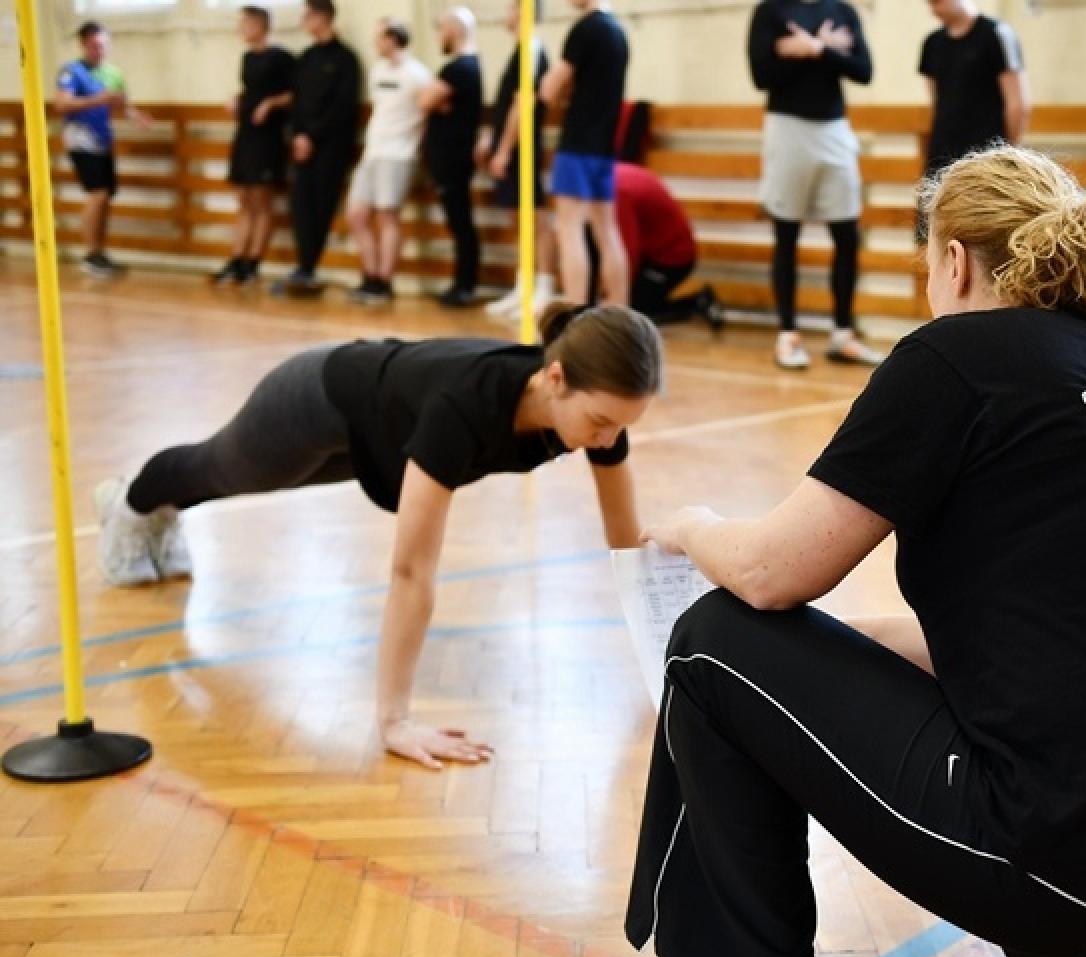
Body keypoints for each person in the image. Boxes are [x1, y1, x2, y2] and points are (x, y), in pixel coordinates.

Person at [624, 146, 1086, 957]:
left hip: (1065, 858)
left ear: (953, 259)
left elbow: (773, 573)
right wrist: (823, 670)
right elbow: (1049, 647)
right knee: (787, 667)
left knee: (710, 643)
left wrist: (697, 525)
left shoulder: (957, 358)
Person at [92, 304, 663, 770]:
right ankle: (131, 502)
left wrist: (667, 649)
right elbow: (411, 572)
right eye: (600, 421)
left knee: (246, 479)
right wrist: (395, 721)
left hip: (383, 431)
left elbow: (624, 544)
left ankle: (157, 512)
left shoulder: (589, 412)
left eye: (621, 425)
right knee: (227, 470)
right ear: (556, 379)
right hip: (318, 395)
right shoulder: (464, 406)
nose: (608, 438)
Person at [748, 0, 881, 371]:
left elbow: (864, 70)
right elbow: (762, 74)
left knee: (846, 234)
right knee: (786, 233)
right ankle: (787, 334)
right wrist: (816, 51)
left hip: (834, 129)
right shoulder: (770, 11)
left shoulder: (842, 11)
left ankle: (843, 333)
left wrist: (815, 48)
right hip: (787, 128)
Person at [540, 0, 631, 307]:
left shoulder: (585, 28)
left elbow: (550, 89)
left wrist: (551, 85)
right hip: (604, 144)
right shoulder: (618, 32)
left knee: (569, 229)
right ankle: (619, 310)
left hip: (578, 142)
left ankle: (574, 311)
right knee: (607, 231)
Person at [345, 19, 433, 304]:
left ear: (394, 39)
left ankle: (384, 280)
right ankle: (369, 275)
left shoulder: (417, 74)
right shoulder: (378, 70)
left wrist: (417, 147)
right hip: (373, 151)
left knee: (387, 216)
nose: (375, 43)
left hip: (398, 153)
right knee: (356, 215)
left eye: (380, 37)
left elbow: (427, 114)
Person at [277, 0, 362, 298]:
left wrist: (312, 136)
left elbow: (341, 107)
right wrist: (298, 135)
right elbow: (297, 102)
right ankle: (303, 266)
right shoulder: (306, 58)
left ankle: (311, 266)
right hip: (302, 145)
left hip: (330, 147)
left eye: (307, 16)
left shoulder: (346, 59)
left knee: (322, 205)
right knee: (300, 206)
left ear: (322, 17)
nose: (303, 21)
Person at [54, 22, 149, 279]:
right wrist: (98, 99)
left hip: (103, 140)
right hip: (81, 140)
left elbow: (122, 102)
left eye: (104, 45)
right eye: (95, 45)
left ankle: (100, 252)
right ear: (84, 44)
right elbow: (61, 105)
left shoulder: (113, 73)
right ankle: (90, 253)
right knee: (97, 193)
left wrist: (135, 117)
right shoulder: (71, 72)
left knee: (106, 196)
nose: (100, 50)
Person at [213, 6, 295, 286]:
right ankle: (237, 258)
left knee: (262, 201)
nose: (240, 29)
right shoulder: (247, 57)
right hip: (245, 133)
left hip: (268, 137)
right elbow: (251, 88)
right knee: (244, 199)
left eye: (244, 24)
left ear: (259, 25)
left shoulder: (282, 57)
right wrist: (238, 98)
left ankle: (253, 262)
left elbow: (294, 94)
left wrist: (270, 103)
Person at [483, 17, 556, 319]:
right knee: (519, 219)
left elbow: (522, 103)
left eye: (513, 5)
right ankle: (522, 286)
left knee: (535, 217)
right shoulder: (519, 50)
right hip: (510, 146)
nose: (506, 11)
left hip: (522, 148)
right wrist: (491, 138)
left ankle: (545, 287)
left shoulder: (532, 50)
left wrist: (504, 149)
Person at [594, 162, 724, 327]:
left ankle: (696, 304)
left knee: (633, 314)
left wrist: (612, 295)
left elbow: (627, 253)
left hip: (672, 258)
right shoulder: (612, 174)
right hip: (659, 251)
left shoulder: (617, 193)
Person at [918, 0, 1029, 177]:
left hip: (987, 155)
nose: (934, 8)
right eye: (930, 3)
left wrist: (1008, 154)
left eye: (938, 2)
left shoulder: (997, 34)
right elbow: (936, 104)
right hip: (942, 157)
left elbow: (1017, 104)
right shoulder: (932, 43)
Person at [421, 7, 484, 308]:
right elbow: (428, 100)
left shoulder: (461, 68)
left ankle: (465, 284)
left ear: (454, 31)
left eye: (441, 29)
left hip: (453, 157)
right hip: (448, 156)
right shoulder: (461, 68)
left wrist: (437, 103)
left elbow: (423, 99)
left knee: (460, 221)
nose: (439, 36)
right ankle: (462, 282)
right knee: (458, 220)